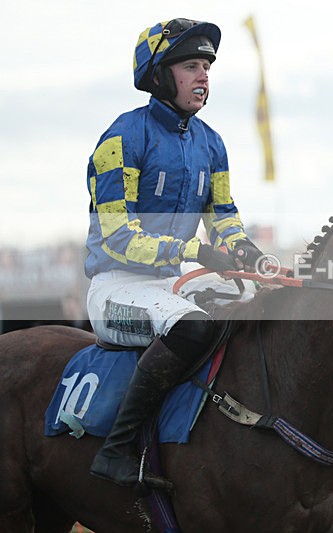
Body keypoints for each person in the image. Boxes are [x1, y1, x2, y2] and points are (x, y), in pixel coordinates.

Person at [84, 18, 264, 490]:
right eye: (190, 65)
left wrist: (240, 246)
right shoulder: (120, 138)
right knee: (193, 327)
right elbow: (118, 237)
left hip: (169, 283)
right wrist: (199, 250)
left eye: (206, 65)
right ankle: (117, 450)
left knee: (253, 307)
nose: (203, 75)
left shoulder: (213, 143)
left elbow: (223, 214)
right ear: (160, 74)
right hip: (115, 288)